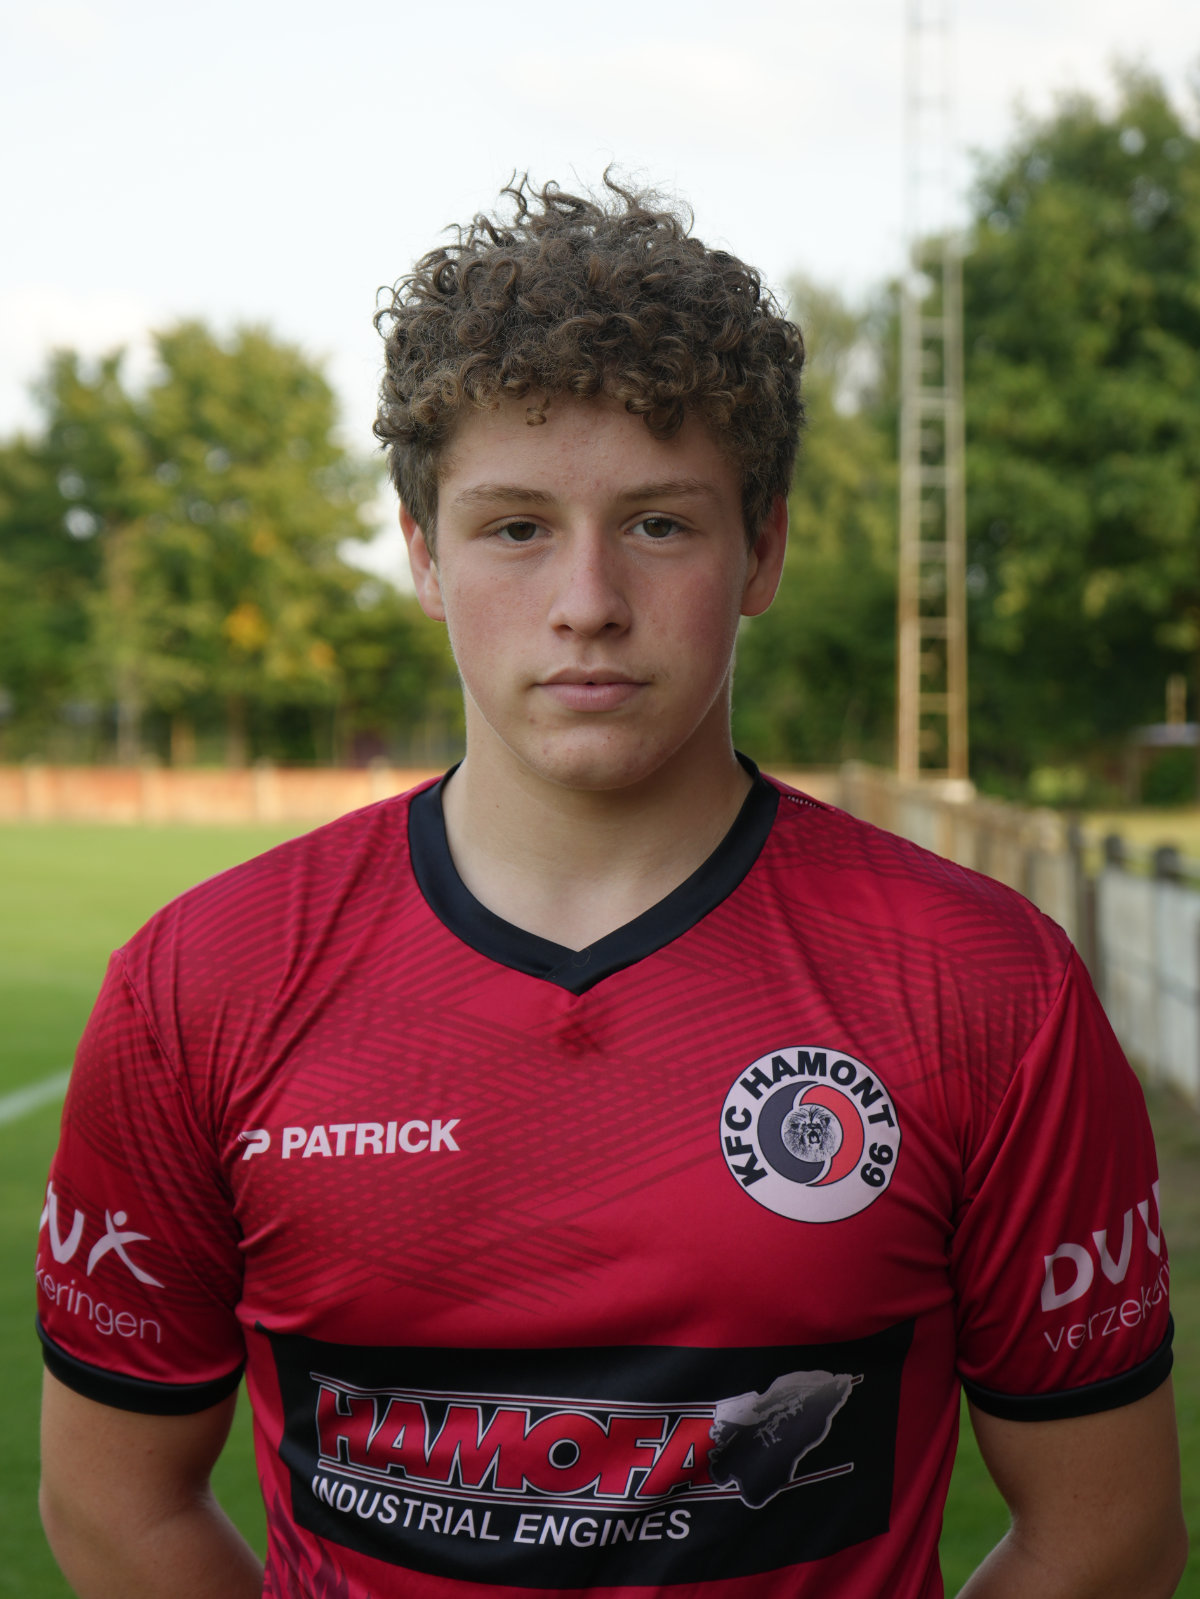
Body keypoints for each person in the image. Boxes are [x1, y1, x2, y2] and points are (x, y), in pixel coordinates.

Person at [37, 177, 1185, 1599]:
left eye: (657, 525)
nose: (587, 600)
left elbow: (1108, 1535)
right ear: (423, 554)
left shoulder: (985, 987)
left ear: (762, 549)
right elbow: (115, 1507)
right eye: (516, 528)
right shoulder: (202, 985)